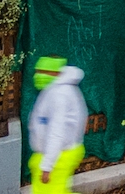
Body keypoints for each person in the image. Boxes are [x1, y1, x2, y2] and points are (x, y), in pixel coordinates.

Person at [27, 55, 89, 193]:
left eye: (43, 72)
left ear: (55, 73)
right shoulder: (57, 90)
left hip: (57, 158)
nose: (38, 75)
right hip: (56, 155)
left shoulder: (59, 95)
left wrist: (47, 166)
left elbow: (56, 131)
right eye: (37, 71)